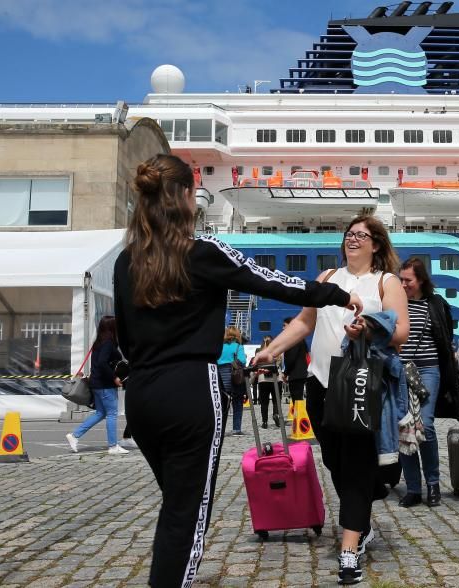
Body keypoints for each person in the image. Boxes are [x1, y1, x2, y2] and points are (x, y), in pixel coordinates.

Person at [113, 154, 360, 587]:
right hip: (191, 390)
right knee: (187, 516)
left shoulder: (125, 261)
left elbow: (126, 337)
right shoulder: (204, 252)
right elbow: (266, 279)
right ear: (187, 198)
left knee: (175, 506)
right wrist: (332, 294)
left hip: (142, 394)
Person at [254, 215, 406, 585]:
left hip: (358, 385)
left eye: (361, 235)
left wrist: (368, 327)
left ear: (376, 244)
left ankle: (349, 550)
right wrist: (271, 351)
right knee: (335, 462)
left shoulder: (385, 282)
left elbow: (400, 330)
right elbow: (304, 323)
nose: (352, 239)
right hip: (321, 384)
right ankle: (365, 509)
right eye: (349, 234)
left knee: (353, 465)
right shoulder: (326, 280)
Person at [396, 257, 459, 508]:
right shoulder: (395, 303)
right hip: (402, 370)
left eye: (408, 280)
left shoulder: (436, 304)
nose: (403, 285)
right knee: (405, 426)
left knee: (426, 424)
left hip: (428, 369)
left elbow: (445, 337)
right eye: (401, 280)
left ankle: (433, 483)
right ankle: (414, 488)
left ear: (421, 280)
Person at [65, 315, 127, 455]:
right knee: (112, 414)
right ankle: (113, 446)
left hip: (97, 384)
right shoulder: (108, 343)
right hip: (105, 384)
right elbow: (102, 363)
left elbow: (99, 363)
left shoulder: (98, 342)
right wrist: (115, 378)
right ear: (112, 328)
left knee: (101, 413)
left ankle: (74, 436)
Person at [217, 326, 247, 436]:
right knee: (238, 403)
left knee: (222, 406)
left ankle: (220, 429)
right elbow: (242, 361)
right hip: (234, 379)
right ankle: (236, 429)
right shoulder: (238, 346)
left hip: (220, 380)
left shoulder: (219, 347)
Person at [251, 336, 282, 429]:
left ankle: (264, 422)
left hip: (263, 380)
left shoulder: (259, 352)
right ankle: (276, 414)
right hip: (276, 379)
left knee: (264, 402)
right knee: (276, 400)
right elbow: (279, 364)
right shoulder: (277, 352)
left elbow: (256, 365)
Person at [280, 317, 309, 404]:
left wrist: (285, 373)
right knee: (298, 399)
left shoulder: (294, 339)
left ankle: (300, 417)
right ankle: (299, 417)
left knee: (297, 400)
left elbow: (291, 358)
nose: (283, 328)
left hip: (296, 374)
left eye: (284, 325)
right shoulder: (300, 338)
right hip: (300, 373)